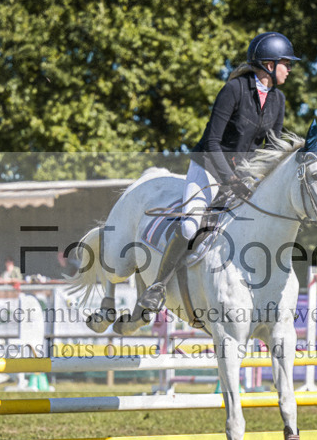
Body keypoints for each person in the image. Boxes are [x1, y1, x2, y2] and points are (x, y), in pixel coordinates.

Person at [129, 32, 300, 322]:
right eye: (286, 63)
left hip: (243, 174)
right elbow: (211, 142)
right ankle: (156, 287)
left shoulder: (277, 100)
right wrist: (230, 179)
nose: (289, 69)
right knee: (190, 227)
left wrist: (261, 182)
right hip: (208, 166)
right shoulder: (234, 90)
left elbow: (271, 148)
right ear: (268, 64)